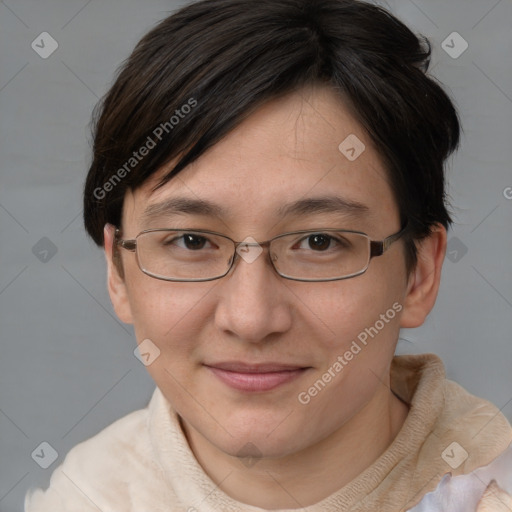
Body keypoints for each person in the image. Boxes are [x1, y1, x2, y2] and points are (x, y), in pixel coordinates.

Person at [24, 0, 512, 510]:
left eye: (319, 242)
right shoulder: (83, 495)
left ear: (421, 275)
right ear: (117, 272)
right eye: (191, 241)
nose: (251, 318)